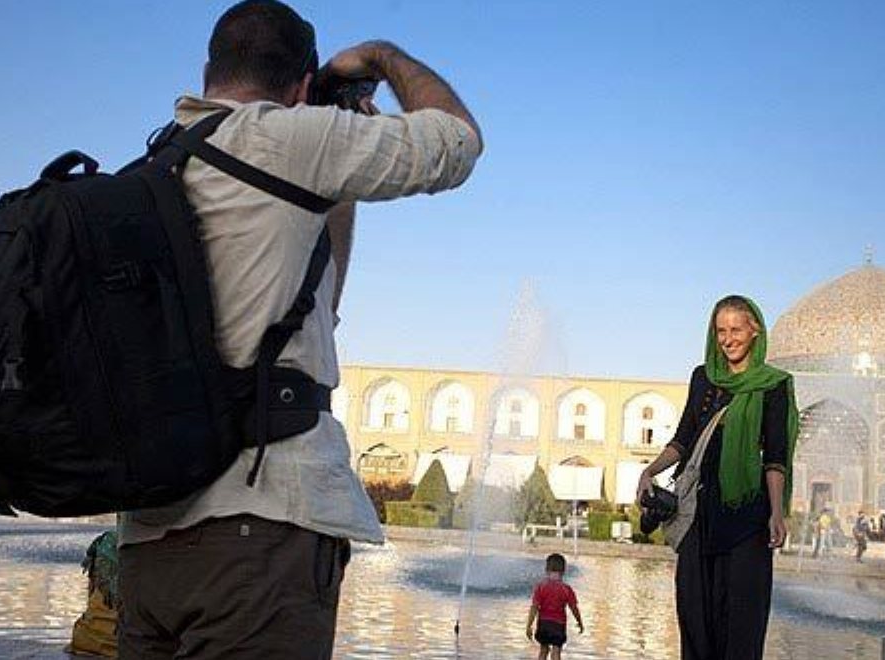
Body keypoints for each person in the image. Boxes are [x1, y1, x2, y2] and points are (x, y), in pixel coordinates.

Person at [115, 2, 482, 658]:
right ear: (302, 86)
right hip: (261, 532)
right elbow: (457, 142)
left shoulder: (157, 166)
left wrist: (336, 186)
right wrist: (382, 58)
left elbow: (320, 305)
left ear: (207, 71)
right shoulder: (292, 139)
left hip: (148, 544)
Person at [636, 295, 799, 660]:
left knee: (742, 619)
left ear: (754, 330)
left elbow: (775, 457)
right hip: (699, 514)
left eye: (736, 329)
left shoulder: (774, 385)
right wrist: (650, 470)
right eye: (721, 331)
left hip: (746, 519)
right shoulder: (703, 377)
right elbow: (683, 439)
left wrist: (776, 512)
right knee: (695, 615)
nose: (728, 339)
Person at [526, 553, 584, 660]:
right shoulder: (566, 589)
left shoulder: (541, 587)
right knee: (556, 650)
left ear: (546, 569)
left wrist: (529, 625)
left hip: (543, 624)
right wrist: (579, 622)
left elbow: (534, 607)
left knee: (543, 649)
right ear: (563, 571)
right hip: (559, 625)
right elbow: (574, 608)